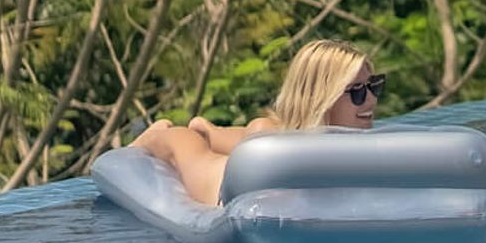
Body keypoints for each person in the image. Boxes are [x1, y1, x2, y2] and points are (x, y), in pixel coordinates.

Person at [129, 39, 385, 206]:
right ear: (320, 98)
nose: (371, 100)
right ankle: (170, 131)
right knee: (183, 141)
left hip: (265, 144)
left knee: (260, 129)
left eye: (374, 86)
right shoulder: (275, 148)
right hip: (217, 180)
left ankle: (208, 129)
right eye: (357, 91)